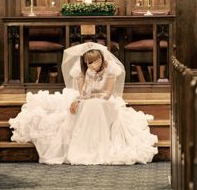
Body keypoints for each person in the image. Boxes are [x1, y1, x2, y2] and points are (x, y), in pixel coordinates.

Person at [9, 42, 158, 165]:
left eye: (95, 61)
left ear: (101, 58)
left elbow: (107, 94)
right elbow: (84, 93)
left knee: (96, 105)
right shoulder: (81, 71)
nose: (92, 64)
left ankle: (98, 147)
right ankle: (84, 148)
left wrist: (92, 97)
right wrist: (88, 76)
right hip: (88, 99)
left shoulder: (111, 69)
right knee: (87, 106)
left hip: (106, 102)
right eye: (89, 62)